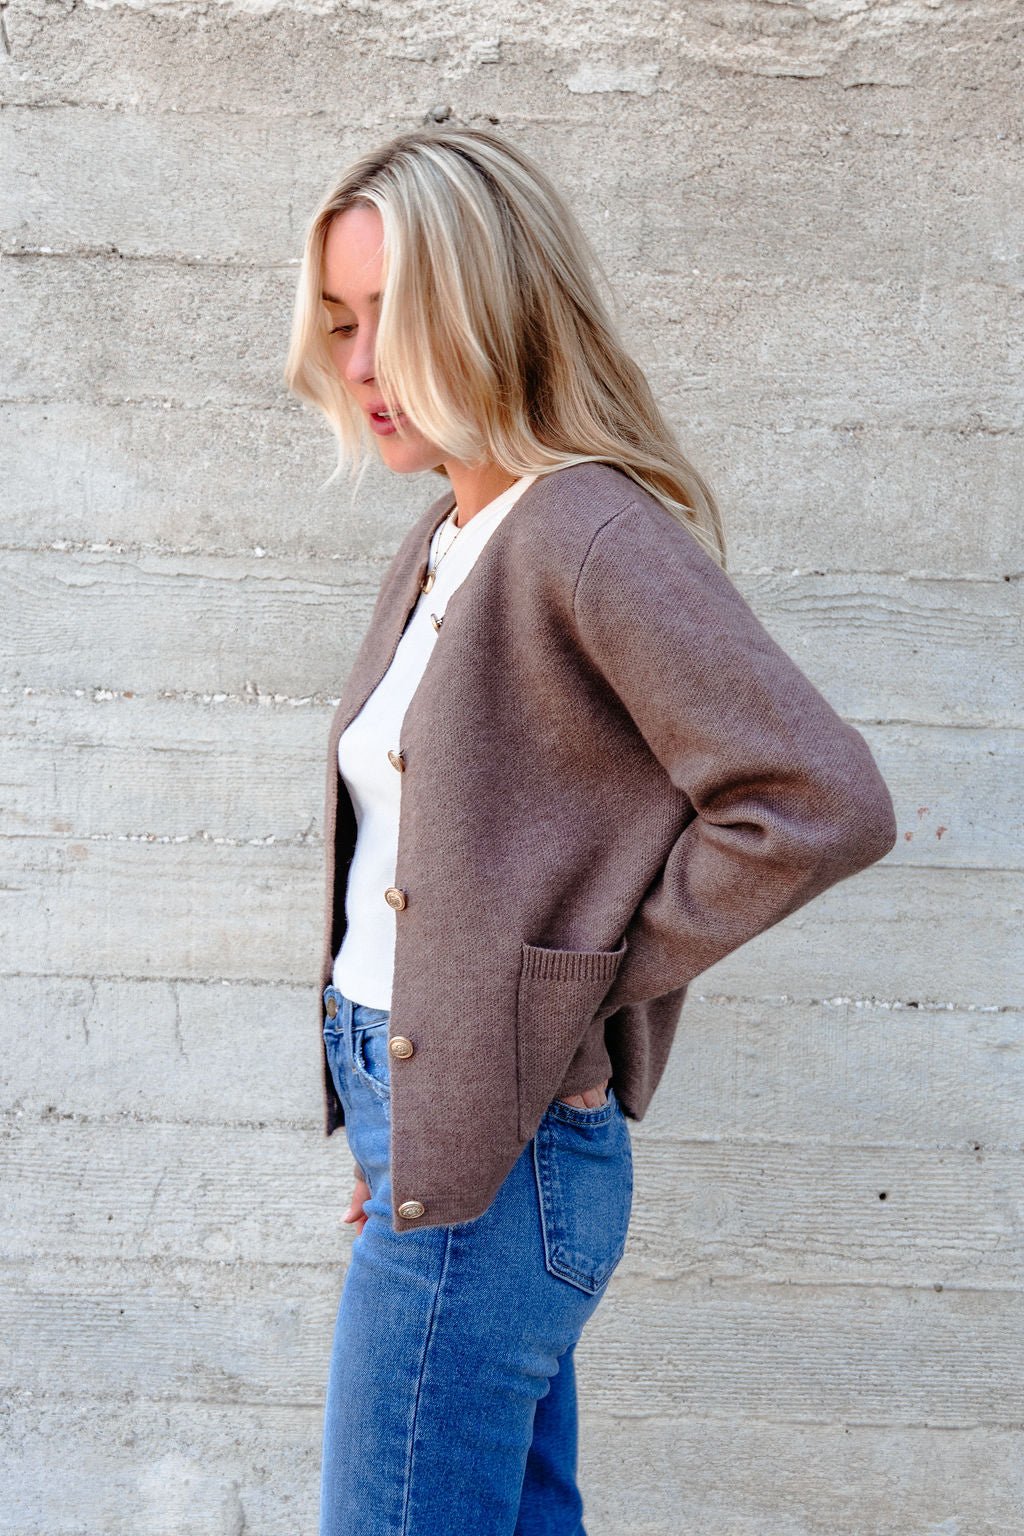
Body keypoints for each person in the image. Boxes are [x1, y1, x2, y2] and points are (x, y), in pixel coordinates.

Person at [283, 124, 897, 1536]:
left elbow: (816, 801)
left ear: (492, 311)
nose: (361, 365)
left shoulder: (584, 534)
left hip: (498, 1166)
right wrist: (401, 1127)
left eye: (396, 318)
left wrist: (573, 988)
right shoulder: (448, 534)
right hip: (433, 1129)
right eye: (340, 321)